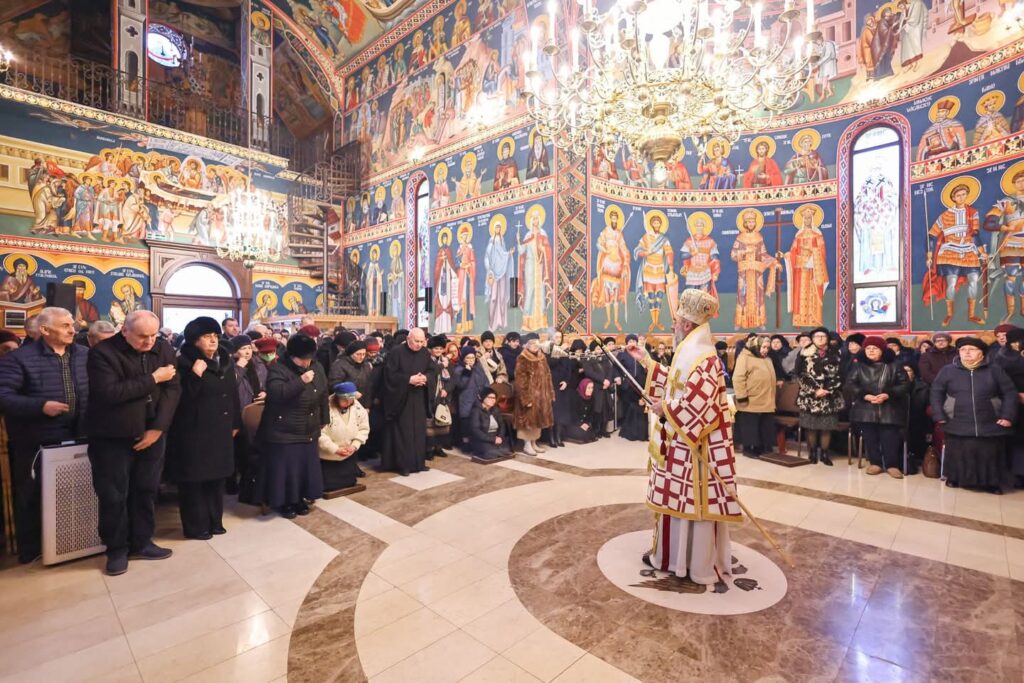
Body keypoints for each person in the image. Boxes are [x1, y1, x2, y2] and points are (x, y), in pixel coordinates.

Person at [642, 288, 741, 584]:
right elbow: (677, 383)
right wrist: (647, 363)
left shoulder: (704, 357)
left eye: (675, 321)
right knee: (677, 502)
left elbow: (700, 406)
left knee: (693, 505)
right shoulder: (690, 351)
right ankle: (673, 558)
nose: (672, 326)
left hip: (696, 448)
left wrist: (665, 409)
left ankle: (695, 564)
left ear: (687, 324)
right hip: (680, 443)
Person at [86, 310, 181, 575]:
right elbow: (110, 393)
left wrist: (158, 428)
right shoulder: (102, 353)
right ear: (124, 330)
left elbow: (173, 390)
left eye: (153, 335)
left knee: (146, 490)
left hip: (152, 434)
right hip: (112, 437)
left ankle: (142, 542)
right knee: (113, 495)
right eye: (142, 336)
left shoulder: (163, 348)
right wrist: (153, 378)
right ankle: (116, 550)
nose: (149, 342)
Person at [0, 307, 88, 564]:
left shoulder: (83, 354)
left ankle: (72, 542)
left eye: (72, 324)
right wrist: (40, 407)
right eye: (65, 326)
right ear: (45, 330)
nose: (72, 330)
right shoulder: (19, 358)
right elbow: (3, 396)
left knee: (74, 491)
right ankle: (33, 548)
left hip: (79, 433)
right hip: (37, 438)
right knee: (33, 493)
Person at [167, 317, 241, 540]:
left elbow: (233, 395)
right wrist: (195, 375)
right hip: (193, 431)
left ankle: (215, 521)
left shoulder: (224, 362)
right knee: (194, 481)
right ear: (194, 340)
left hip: (221, 429)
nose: (213, 340)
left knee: (217, 478)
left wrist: (236, 422)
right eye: (207, 336)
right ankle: (196, 527)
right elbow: (180, 400)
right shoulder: (183, 363)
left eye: (215, 335)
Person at [931, 337, 1017, 493]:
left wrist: (1007, 415)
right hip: (957, 419)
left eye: (972, 349)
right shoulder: (948, 370)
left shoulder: (994, 370)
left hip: (989, 421)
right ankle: (955, 477)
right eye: (963, 350)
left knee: (988, 453)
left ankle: (991, 483)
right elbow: (936, 392)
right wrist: (939, 414)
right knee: (959, 450)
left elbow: (1009, 393)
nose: (967, 353)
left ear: (982, 353)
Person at [259, 333, 328, 517]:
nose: (306, 363)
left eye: (309, 359)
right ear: (291, 356)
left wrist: (324, 420)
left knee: (305, 468)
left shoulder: (317, 366)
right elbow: (277, 394)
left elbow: (323, 394)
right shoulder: (278, 369)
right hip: (284, 430)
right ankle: (285, 503)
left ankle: (299, 499)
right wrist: (301, 381)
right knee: (288, 470)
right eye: (302, 360)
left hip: (309, 427)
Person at [847, 336, 911, 478]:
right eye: (868, 348)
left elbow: (905, 384)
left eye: (874, 349)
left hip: (889, 408)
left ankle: (891, 465)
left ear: (882, 350)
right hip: (865, 408)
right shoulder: (859, 365)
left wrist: (888, 394)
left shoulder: (895, 365)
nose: (871, 351)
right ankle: (875, 463)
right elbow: (850, 384)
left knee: (890, 438)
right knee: (870, 437)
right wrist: (864, 395)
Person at [378, 328, 435, 475]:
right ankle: (404, 465)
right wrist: (409, 379)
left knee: (419, 432)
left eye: (422, 342)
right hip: (402, 399)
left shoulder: (425, 353)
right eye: (416, 341)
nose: (419, 345)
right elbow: (389, 375)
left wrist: (425, 378)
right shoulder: (396, 352)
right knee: (404, 433)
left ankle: (419, 463)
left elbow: (432, 370)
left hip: (419, 397)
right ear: (409, 339)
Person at [796, 327, 844, 466]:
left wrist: (828, 389)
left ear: (828, 338)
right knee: (811, 426)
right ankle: (812, 453)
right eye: (817, 336)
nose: (820, 338)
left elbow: (841, 374)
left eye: (823, 336)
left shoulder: (836, 353)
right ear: (812, 339)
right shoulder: (804, 353)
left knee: (826, 427)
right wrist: (815, 390)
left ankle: (824, 454)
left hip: (830, 397)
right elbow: (801, 374)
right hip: (810, 397)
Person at [318, 382, 369, 492]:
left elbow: (364, 429)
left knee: (348, 482)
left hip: (348, 454)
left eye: (350, 400)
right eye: (344, 400)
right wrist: (335, 449)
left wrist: (354, 445)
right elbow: (319, 433)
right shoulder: (325, 407)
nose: (348, 403)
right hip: (328, 456)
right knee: (328, 485)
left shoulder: (357, 407)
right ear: (337, 398)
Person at [732, 335, 777, 459]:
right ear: (755, 346)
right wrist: (742, 396)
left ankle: (762, 447)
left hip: (766, 398)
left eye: (767, 348)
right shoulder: (745, 357)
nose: (765, 350)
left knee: (763, 424)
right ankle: (749, 448)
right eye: (763, 347)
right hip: (751, 398)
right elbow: (738, 378)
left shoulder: (767, 359)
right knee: (750, 425)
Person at [514, 333, 555, 456]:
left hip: (541, 395)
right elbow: (520, 381)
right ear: (526, 345)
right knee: (528, 421)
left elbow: (548, 376)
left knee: (537, 420)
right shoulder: (523, 358)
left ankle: (534, 443)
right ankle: (527, 444)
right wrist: (526, 398)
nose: (535, 345)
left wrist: (550, 393)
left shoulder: (542, 357)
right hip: (529, 396)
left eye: (537, 342)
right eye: (532, 343)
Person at [455, 346, 490, 448]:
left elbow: (486, 382)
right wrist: (467, 372)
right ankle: (466, 445)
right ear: (463, 359)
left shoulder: (478, 367)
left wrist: (485, 395)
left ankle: (476, 444)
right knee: (466, 424)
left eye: (472, 358)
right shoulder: (459, 369)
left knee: (477, 423)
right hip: (465, 401)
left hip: (478, 400)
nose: (470, 360)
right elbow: (460, 385)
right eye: (468, 358)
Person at [616, 334, 649, 441]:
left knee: (639, 408)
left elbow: (648, 367)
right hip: (626, 385)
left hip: (640, 385)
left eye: (634, 341)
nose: (632, 343)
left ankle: (638, 432)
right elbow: (616, 368)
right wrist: (617, 377)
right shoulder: (622, 355)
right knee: (627, 408)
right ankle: (628, 430)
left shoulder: (642, 354)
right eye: (629, 341)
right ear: (626, 343)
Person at [466, 386, 510, 460]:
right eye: (490, 397)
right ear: (483, 398)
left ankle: (496, 451)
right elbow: (476, 431)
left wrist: (499, 437)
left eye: (494, 398)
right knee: (489, 452)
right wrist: (492, 439)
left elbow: (502, 425)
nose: (492, 400)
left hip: (495, 438)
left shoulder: (495, 409)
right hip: (482, 439)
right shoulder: (476, 411)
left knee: (507, 449)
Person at [329, 340, 373, 407]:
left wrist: (367, 406)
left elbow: (369, 387)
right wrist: (350, 393)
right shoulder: (339, 365)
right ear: (351, 353)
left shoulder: (366, 365)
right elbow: (334, 384)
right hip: (345, 403)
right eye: (358, 354)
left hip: (362, 404)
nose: (361, 357)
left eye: (364, 354)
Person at [564, 378, 599, 443]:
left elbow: (590, 414)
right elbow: (572, 414)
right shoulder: (576, 397)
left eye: (592, 388)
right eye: (589, 388)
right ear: (583, 387)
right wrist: (580, 424)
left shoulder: (592, 399)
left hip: (584, 424)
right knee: (583, 435)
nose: (591, 390)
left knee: (592, 434)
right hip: (573, 423)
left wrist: (587, 423)